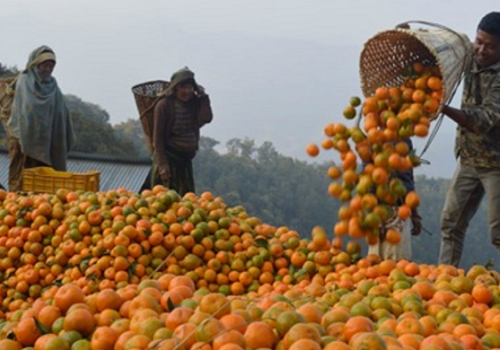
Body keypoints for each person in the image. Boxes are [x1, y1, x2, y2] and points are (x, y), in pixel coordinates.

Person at [439, 12, 500, 267]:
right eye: (479, 41)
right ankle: (444, 282)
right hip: (469, 157)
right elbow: (441, 52)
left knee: (498, 234)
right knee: (450, 224)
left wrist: (443, 109)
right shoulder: (469, 55)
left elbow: (486, 119)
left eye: (491, 46)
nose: (482, 50)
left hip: (496, 165)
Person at [5, 45, 74, 191]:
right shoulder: (25, 81)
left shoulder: (53, 84)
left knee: (41, 177)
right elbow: (26, 110)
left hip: (45, 138)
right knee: (22, 175)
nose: (48, 69)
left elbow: (61, 110)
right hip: (24, 135)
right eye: (45, 65)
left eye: (51, 66)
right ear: (36, 64)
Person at [151, 67, 213, 196]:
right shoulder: (164, 105)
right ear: (175, 88)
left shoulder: (194, 103)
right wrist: (162, 165)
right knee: (164, 199)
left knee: (186, 200)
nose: (187, 91)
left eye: (190, 88)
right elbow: (158, 139)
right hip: (169, 158)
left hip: (185, 159)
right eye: (183, 87)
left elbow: (206, 118)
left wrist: (204, 98)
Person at [368, 138, 422, 261]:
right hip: (383, 213)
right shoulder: (375, 140)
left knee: (401, 265)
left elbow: (408, 179)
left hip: (402, 213)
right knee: (379, 267)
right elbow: (370, 184)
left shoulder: (405, 141)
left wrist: (414, 212)